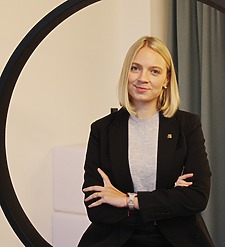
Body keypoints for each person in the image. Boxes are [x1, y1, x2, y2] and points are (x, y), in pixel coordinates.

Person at [78, 36, 214, 247]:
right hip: (117, 240)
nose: (143, 78)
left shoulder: (187, 125)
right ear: (126, 73)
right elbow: (97, 207)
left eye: (154, 71)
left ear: (167, 79)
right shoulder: (102, 129)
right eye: (135, 68)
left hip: (176, 240)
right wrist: (168, 200)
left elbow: (197, 197)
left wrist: (127, 200)